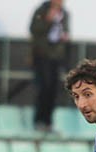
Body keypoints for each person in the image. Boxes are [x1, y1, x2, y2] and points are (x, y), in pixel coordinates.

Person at [29, 0, 70, 132]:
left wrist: (65, 36)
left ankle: (48, 122)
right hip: (43, 55)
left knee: (54, 88)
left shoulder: (65, 13)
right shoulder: (42, 10)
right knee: (44, 87)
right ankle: (39, 120)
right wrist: (47, 20)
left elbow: (66, 30)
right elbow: (33, 29)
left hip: (56, 56)